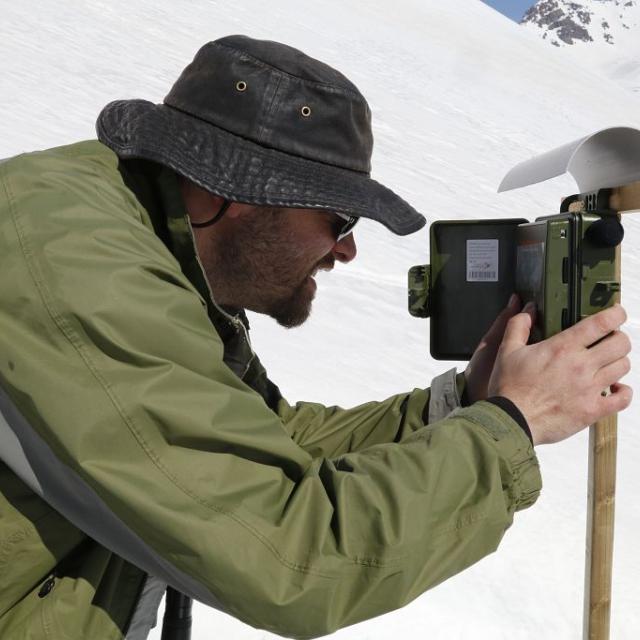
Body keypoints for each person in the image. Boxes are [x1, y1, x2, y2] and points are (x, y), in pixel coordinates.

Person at [0, 34, 631, 640]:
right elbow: (291, 561)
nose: (348, 248)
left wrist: (469, 401)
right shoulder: (82, 269)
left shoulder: (153, 244)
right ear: (241, 192)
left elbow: (267, 440)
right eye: (338, 218)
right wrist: (514, 424)